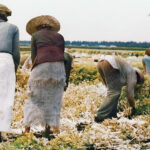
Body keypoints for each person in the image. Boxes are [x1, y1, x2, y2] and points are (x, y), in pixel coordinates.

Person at [24, 15, 66, 135]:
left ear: (37, 28)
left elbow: (34, 55)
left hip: (42, 66)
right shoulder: (60, 36)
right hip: (59, 68)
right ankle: (53, 128)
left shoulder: (35, 36)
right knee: (55, 97)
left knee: (34, 96)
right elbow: (62, 53)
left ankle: (27, 129)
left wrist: (33, 70)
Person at [95, 55, 144, 123]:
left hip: (100, 62)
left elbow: (107, 83)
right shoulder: (133, 75)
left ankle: (112, 114)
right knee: (114, 92)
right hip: (110, 63)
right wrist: (133, 108)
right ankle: (100, 116)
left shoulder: (126, 71)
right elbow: (130, 96)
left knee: (115, 92)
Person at [0, 4, 20, 140]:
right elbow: (16, 52)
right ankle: (2, 132)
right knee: (6, 96)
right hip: (5, 59)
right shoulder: (12, 28)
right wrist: (15, 68)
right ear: (5, 15)